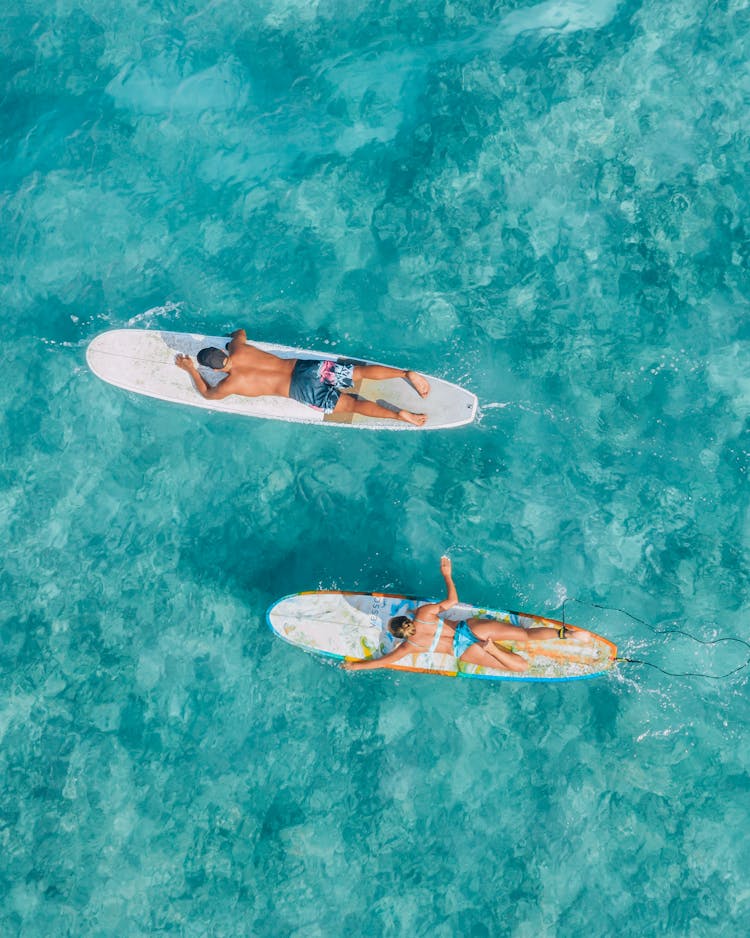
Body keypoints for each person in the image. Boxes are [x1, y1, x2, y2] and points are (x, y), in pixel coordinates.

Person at [343, 556, 590, 673]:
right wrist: (447, 574)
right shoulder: (423, 614)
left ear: (400, 635)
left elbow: (384, 661)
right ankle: (565, 634)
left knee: (520, 667)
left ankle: (493, 650)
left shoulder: (411, 646)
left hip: (465, 650)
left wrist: (355, 665)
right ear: (405, 618)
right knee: (525, 634)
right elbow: (453, 601)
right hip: (470, 629)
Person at [175, 328, 430, 426]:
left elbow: (208, 395)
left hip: (297, 389)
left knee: (351, 404)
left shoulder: (230, 384)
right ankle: (405, 374)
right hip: (305, 369)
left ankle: (399, 415)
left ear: (217, 370)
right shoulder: (239, 349)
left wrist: (191, 370)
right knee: (359, 372)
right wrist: (233, 341)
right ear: (222, 352)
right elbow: (239, 332)